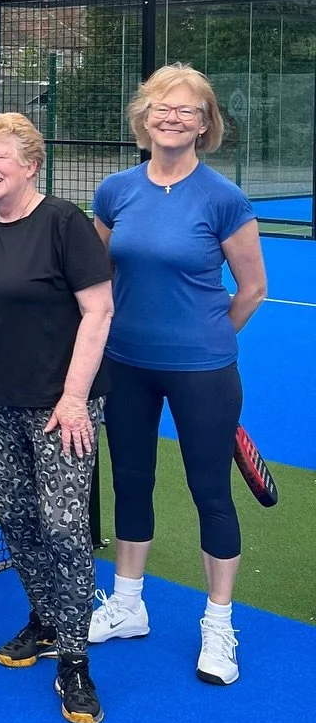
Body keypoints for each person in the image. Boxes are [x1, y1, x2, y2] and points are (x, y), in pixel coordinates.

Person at [90, 65, 267, 685]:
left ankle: (219, 626)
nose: (173, 117)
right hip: (126, 366)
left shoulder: (223, 198)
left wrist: (208, 341)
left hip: (203, 373)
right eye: (162, 108)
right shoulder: (115, 191)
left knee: (210, 494)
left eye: (187, 110)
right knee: (131, 484)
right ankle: (128, 604)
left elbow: (251, 289)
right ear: (143, 118)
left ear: (205, 123)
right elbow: (99, 278)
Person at [0, 114, 113, 723]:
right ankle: (46, 617)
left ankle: (75, 659)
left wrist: (74, 398)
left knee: (64, 527)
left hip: (62, 410)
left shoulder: (65, 223)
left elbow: (98, 312)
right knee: (19, 519)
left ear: (31, 164)